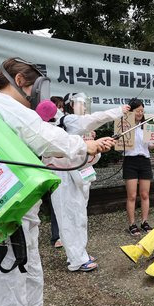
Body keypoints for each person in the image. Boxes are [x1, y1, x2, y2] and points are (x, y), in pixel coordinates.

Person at [0, 57, 115, 306]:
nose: (33, 98)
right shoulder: (1, 105)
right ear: (19, 82)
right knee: (2, 289)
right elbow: (45, 136)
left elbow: (40, 155)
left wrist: (86, 150)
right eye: (32, 89)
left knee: (18, 280)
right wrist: (84, 146)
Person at [43, 93, 129, 271]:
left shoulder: (70, 124)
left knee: (79, 217)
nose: (82, 108)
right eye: (79, 104)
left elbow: (85, 154)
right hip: (63, 177)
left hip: (78, 176)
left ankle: (79, 253)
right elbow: (94, 119)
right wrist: (119, 110)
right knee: (68, 218)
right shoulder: (62, 122)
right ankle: (76, 260)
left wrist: (96, 147)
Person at [123, 98, 154, 236]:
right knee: (132, 195)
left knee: (145, 194)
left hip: (144, 161)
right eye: (137, 110)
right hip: (130, 161)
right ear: (131, 111)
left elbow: (149, 146)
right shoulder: (123, 126)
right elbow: (118, 148)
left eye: (142, 111)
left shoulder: (146, 126)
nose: (140, 113)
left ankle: (144, 222)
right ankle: (132, 224)